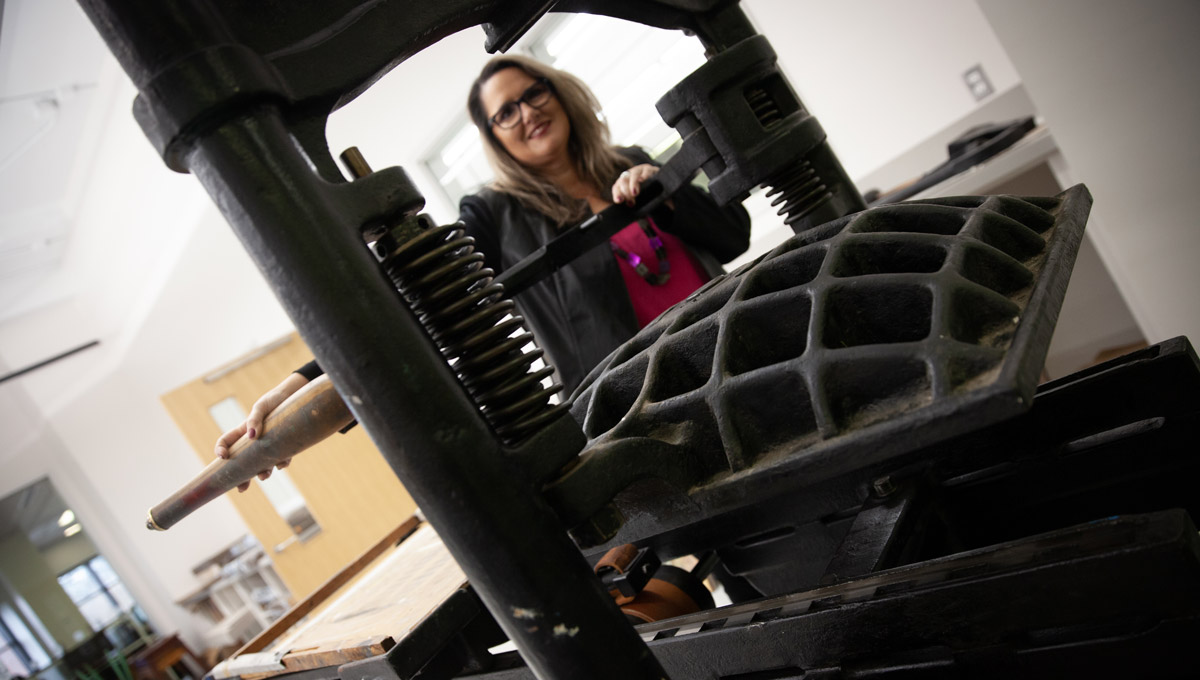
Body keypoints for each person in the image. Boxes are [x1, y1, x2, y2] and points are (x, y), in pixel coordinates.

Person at [214, 54, 750, 486]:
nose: (526, 113)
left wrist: (664, 192)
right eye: (505, 113)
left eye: (533, 94)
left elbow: (734, 235)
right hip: (641, 404)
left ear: (558, 93)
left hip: (733, 350)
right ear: (494, 136)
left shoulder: (630, 159)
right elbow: (417, 298)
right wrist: (298, 385)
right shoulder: (494, 213)